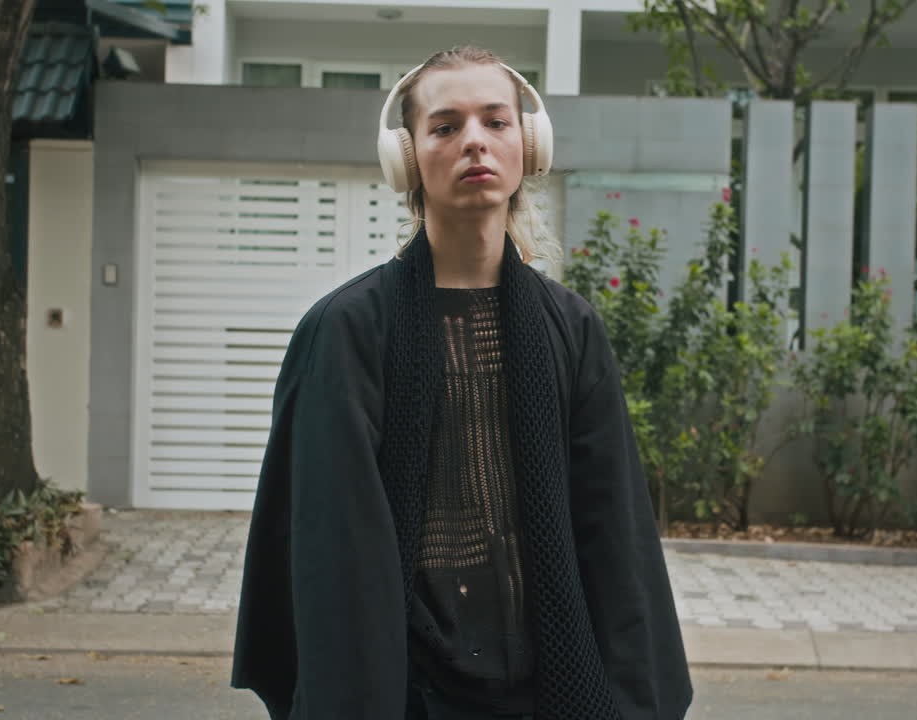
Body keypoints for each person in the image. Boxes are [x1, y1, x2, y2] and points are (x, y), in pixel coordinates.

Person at [231, 46, 693, 720]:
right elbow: (330, 551)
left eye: (495, 121)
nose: (474, 140)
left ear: (528, 145)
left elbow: (613, 532)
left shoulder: (570, 327)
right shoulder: (346, 332)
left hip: (550, 689)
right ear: (407, 158)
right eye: (445, 126)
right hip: (407, 690)